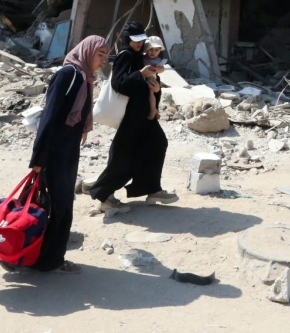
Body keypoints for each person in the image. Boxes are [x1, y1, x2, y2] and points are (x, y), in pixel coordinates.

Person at [26, 35, 106, 274]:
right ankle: (44, 261)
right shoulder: (68, 75)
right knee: (57, 206)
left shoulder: (84, 79)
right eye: (100, 54)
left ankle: (52, 258)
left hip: (67, 152)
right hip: (54, 153)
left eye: (106, 55)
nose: (103, 60)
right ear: (87, 52)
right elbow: (49, 119)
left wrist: (82, 129)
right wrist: (39, 159)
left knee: (63, 205)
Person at [85, 21, 178, 211]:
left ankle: (152, 189)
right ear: (127, 39)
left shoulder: (140, 57)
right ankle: (104, 194)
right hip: (131, 116)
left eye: (140, 41)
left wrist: (157, 88)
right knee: (123, 155)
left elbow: (149, 85)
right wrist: (140, 74)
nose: (138, 44)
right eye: (134, 41)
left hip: (144, 115)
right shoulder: (125, 56)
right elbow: (119, 84)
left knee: (157, 144)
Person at [143, 36, 168, 121]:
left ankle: (153, 110)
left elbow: (162, 69)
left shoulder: (157, 60)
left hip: (151, 78)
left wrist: (156, 70)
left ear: (160, 50)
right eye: (150, 49)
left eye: (156, 50)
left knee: (151, 93)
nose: (153, 52)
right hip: (142, 78)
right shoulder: (143, 58)